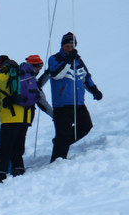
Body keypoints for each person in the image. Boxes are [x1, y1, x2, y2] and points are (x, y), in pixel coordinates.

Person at [41, 32, 103, 161]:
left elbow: (85, 77)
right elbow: (56, 74)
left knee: (86, 126)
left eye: (71, 46)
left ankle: (60, 143)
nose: (69, 49)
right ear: (62, 46)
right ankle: (57, 161)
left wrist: (95, 90)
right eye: (67, 46)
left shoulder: (78, 60)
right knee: (63, 133)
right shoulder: (54, 59)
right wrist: (68, 60)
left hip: (78, 103)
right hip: (62, 104)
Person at [0, 55, 35, 183]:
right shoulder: (22, 76)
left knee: (4, 149)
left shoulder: (3, 76)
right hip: (25, 118)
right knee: (16, 149)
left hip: (10, 119)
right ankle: (18, 171)